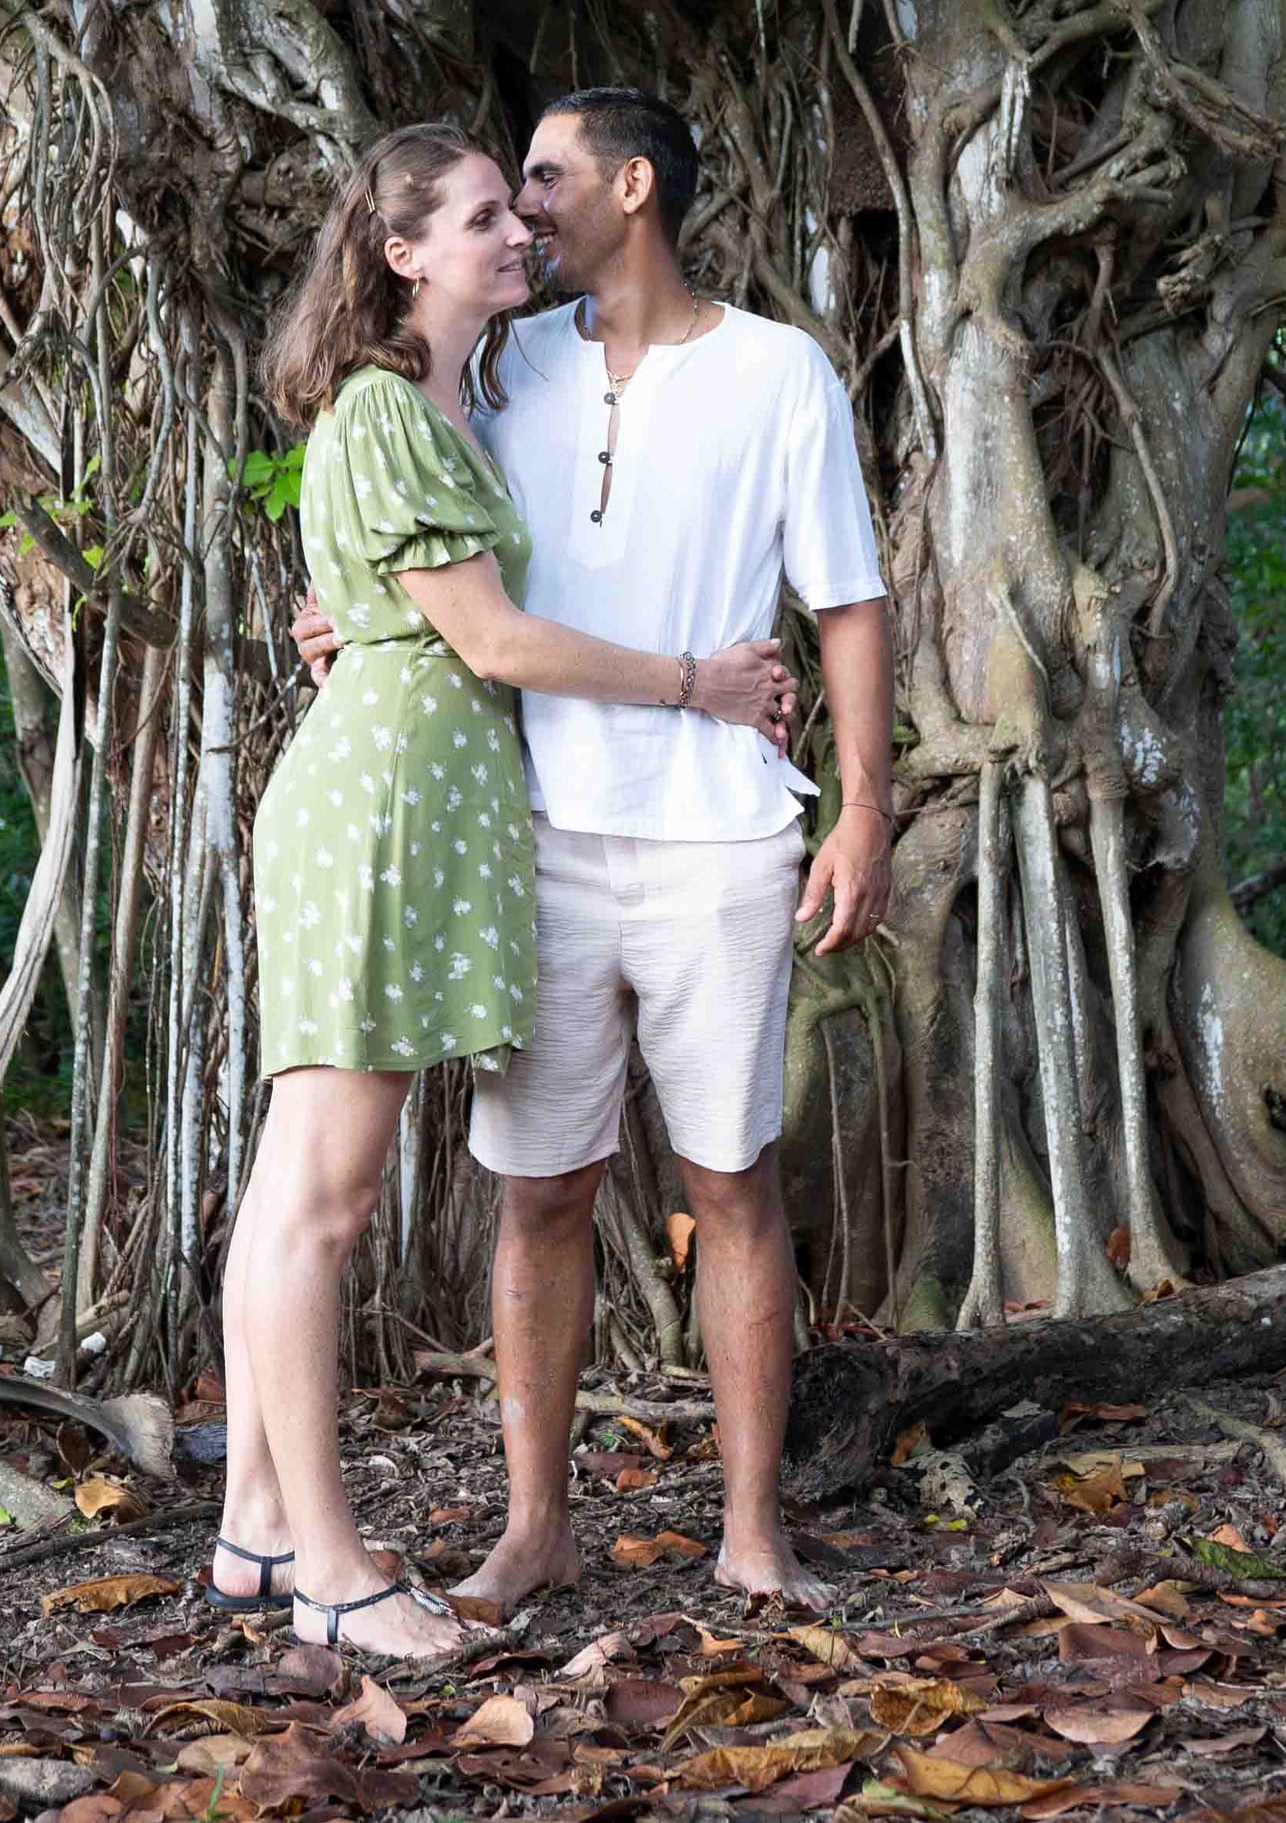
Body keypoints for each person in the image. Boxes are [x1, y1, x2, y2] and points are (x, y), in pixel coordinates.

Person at [297, 88, 893, 1611]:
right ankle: (534, 1527)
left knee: (735, 1184)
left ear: (634, 187)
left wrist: (869, 810)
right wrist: (346, 620)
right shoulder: (499, 362)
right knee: (540, 1193)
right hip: (537, 839)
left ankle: (752, 1531)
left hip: (722, 843)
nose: (526, 211)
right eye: (503, 196)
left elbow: (844, 602)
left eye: (547, 180)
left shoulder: (779, 374)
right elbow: (432, 565)